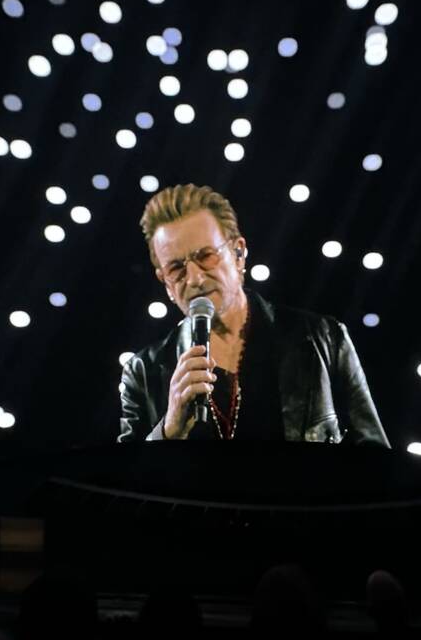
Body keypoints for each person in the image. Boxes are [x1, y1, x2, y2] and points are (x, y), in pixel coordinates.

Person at [118, 183, 389, 445]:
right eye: (176, 268)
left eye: (206, 256)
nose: (195, 278)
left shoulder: (324, 337)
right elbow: (124, 473)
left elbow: (375, 458)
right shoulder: (143, 372)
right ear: (164, 281)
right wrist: (168, 432)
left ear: (238, 253)